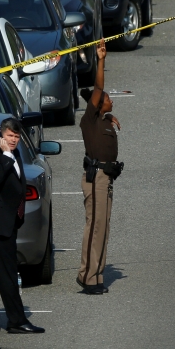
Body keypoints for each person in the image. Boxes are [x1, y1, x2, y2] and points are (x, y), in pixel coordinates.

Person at [0, 117, 44, 334]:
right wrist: (5, 156)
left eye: (16, 137)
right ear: (1, 135)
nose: (13, 140)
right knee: (7, 273)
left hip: (8, 222)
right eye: (9, 136)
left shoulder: (14, 152)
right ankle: (16, 320)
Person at [77, 40, 122, 295]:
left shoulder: (103, 120)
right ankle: (87, 277)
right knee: (94, 226)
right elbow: (98, 87)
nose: (110, 98)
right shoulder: (90, 118)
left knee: (103, 226)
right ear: (97, 104)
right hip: (95, 178)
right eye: (107, 99)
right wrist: (102, 60)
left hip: (107, 178)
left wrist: (108, 116)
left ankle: (97, 275)